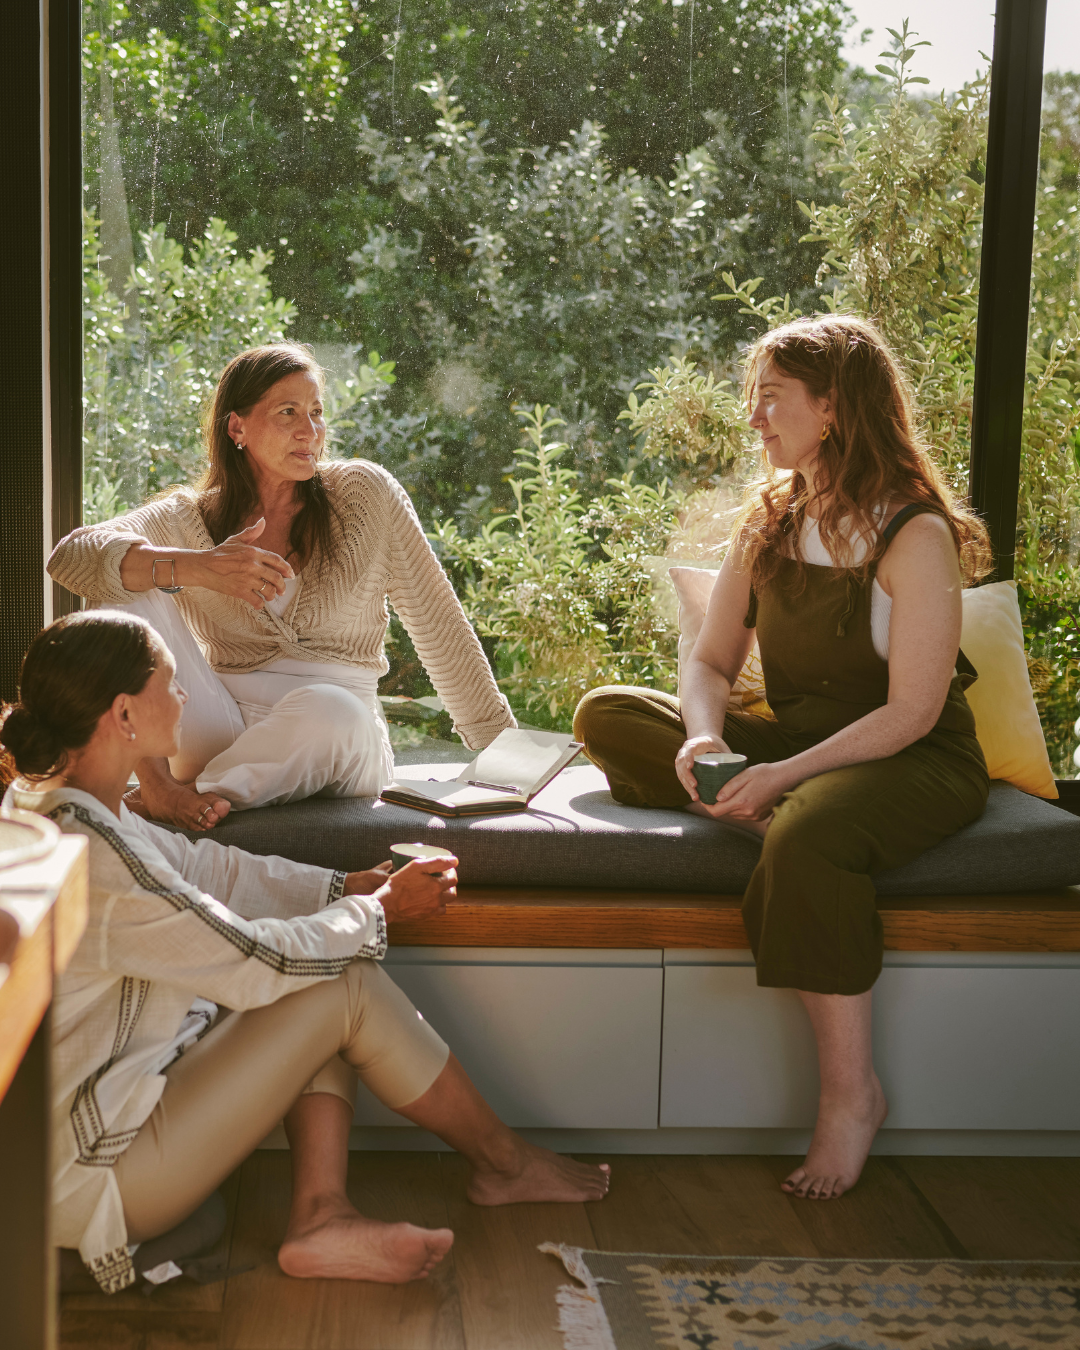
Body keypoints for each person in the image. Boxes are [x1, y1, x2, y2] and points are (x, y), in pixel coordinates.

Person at [0, 610, 609, 1294]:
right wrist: (374, 911)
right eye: (171, 685)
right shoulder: (95, 857)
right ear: (123, 715)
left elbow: (212, 870)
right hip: (88, 1176)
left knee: (327, 958)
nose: (184, 699)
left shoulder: (70, 810)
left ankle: (325, 1216)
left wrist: (344, 886)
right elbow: (264, 963)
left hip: (77, 1133)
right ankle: (500, 1163)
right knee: (331, 978)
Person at [574, 314, 991, 1201]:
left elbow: (914, 712)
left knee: (806, 836)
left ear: (832, 407)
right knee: (608, 714)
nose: (754, 420)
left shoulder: (914, 535)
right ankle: (763, 809)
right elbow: (711, 662)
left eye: (772, 400)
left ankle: (851, 1097)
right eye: (751, 400)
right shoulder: (768, 520)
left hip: (911, 757)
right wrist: (703, 738)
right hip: (804, 746)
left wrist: (785, 777)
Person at [48, 342, 515, 832]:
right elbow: (74, 558)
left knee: (331, 710)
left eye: (316, 412)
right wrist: (198, 567)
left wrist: (501, 748)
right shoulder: (191, 519)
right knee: (124, 577)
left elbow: (438, 621)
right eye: (287, 411)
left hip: (337, 732)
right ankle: (161, 786)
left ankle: (188, 799)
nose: (309, 431)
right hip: (219, 722)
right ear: (237, 427)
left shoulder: (364, 494)